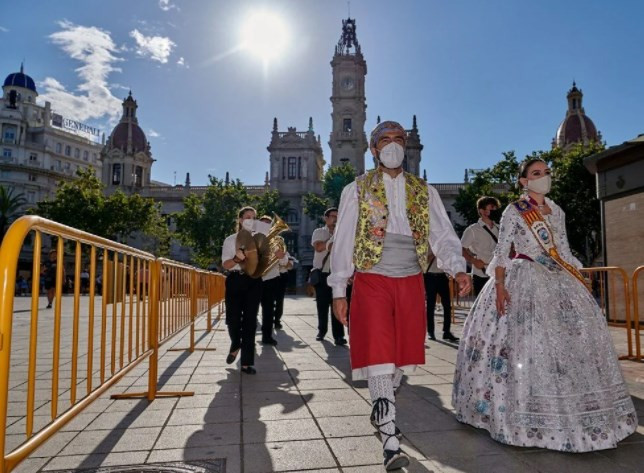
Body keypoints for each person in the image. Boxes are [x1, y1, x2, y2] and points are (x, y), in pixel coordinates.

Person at [452, 158, 637, 452]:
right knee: (527, 343)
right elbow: (501, 252)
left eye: (546, 172)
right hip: (522, 277)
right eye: (536, 174)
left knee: (569, 346)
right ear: (524, 181)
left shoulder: (557, 210)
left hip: (557, 278)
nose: (544, 177)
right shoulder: (516, 210)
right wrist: (500, 287)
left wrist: (579, 277)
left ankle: (581, 411)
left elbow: (562, 249)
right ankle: (519, 412)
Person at [329, 121, 470, 470]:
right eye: (385, 140)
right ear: (373, 149)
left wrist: (457, 267)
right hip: (372, 277)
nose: (392, 145)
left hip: (410, 278)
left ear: (405, 147)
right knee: (379, 354)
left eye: (398, 140)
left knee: (402, 359)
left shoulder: (424, 190)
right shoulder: (357, 189)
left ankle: (381, 406)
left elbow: (442, 234)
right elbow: (344, 238)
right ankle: (391, 438)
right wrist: (338, 288)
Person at [221, 206, 262, 375]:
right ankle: (236, 343)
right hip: (235, 279)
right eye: (247, 217)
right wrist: (237, 258)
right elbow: (226, 265)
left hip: (254, 280)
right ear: (240, 220)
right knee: (232, 318)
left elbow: (264, 263)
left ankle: (246, 363)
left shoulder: (260, 240)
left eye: (253, 217)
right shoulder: (230, 240)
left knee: (250, 321)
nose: (250, 220)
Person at [311, 208, 346, 346]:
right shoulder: (319, 232)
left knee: (338, 304)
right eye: (333, 216)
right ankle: (322, 330)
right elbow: (319, 247)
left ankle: (339, 336)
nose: (336, 219)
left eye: (338, 216)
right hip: (322, 274)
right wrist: (333, 239)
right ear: (325, 218)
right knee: (322, 305)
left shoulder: (343, 234)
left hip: (338, 274)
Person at [258, 215, 289, 345]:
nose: (266, 226)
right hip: (254, 278)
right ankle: (248, 337)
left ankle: (267, 336)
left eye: (268, 223)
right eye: (263, 223)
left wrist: (281, 257)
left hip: (271, 278)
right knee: (250, 309)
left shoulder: (278, 240)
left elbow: (284, 262)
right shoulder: (253, 238)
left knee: (269, 310)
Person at [461, 196, 500, 295]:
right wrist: (473, 260)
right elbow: (461, 249)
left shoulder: (500, 229)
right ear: (482, 211)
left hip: (499, 274)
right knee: (482, 308)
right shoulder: (472, 230)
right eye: (491, 208)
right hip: (481, 275)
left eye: (495, 208)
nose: (494, 211)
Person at [424, 252, 459, 342]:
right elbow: (422, 260)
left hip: (442, 276)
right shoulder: (427, 243)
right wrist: (434, 254)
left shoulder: (442, 243)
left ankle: (446, 331)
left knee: (447, 305)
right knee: (430, 305)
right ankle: (430, 331)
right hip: (430, 276)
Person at [274, 256, 294, 330]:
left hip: (282, 277)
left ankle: (277, 321)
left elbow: (290, 266)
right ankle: (269, 319)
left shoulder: (287, 254)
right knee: (269, 300)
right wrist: (283, 265)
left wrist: (282, 264)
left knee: (280, 300)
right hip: (271, 276)